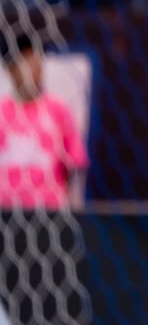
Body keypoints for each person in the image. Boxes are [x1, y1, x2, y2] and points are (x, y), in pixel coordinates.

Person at [0, 35, 88, 210]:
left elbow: (75, 163)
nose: (34, 68)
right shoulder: (2, 112)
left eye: (37, 61)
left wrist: (72, 207)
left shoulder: (57, 111)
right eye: (25, 62)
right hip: (5, 211)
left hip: (47, 211)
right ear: (10, 69)